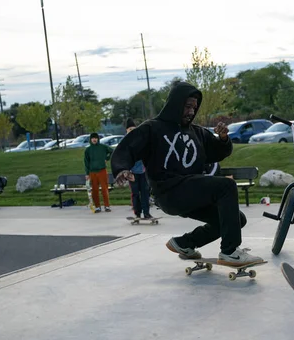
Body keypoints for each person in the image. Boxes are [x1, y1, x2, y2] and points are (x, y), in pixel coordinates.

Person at [111, 81, 262, 266]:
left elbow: (217, 152)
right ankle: (230, 252)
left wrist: (223, 140)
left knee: (237, 220)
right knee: (226, 186)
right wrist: (122, 168)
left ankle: (184, 243)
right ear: (176, 103)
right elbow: (127, 148)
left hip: (190, 193)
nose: (191, 111)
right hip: (168, 191)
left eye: (194, 107)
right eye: (187, 106)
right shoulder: (153, 128)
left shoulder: (197, 132)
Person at [124, 118, 153, 221]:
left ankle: (146, 213)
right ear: (127, 131)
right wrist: (127, 171)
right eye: (130, 129)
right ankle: (137, 213)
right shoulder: (125, 143)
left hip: (143, 171)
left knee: (145, 192)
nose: (132, 130)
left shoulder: (141, 140)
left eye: (133, 129)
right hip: (132, 172)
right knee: (135, 193)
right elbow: (123, 159)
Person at [84, 133, 113, 213]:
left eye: (96, 138)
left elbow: (112, 151)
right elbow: (86, 162)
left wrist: (107, 158)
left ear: (98, 139)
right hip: (92, 172)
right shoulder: (88, 150)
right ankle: (97, 207)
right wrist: (87, 173)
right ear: (90, 139)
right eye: (93, 138)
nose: (94, 139)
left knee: (104, 189)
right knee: (95, 190)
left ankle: (107, 206)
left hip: (102, 170)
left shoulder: (103, 147)